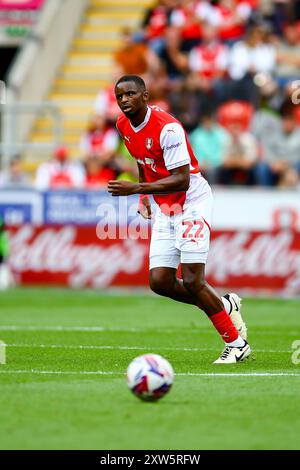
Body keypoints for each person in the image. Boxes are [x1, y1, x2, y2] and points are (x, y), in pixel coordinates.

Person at [108, 75, 251, 364]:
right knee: (159, 281)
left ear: (146, 96)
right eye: (119, 96)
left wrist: (135, 188)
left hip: (192, 203)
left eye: (130, 94)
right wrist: (143, 197)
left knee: (192, 280)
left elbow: (182, 180)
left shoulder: (168, 129)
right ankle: (223, 305)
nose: (124, 100)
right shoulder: (123, 125)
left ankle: (237, 344)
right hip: (164, 206)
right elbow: (142, 160)